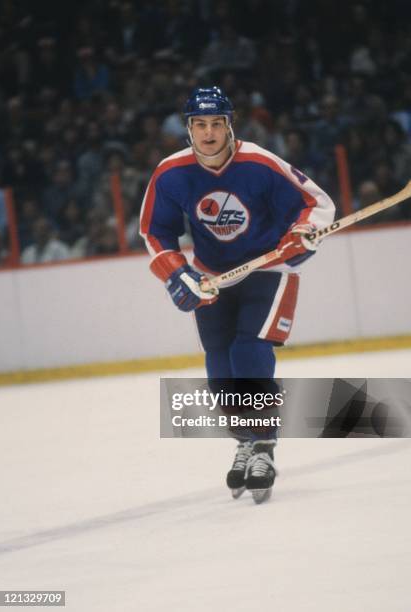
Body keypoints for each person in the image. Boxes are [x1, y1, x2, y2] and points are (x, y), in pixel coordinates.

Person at [140, 87, 335, 503]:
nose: (208, 133)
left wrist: (300, 234)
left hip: (268, 269)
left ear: (229, 126)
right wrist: (177, 274)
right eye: (199, 124)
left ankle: (264, 446)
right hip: (213, 279)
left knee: (249, 354)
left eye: (215, 124)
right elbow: (154, 231)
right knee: (220, 375)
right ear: (188, 128)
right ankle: (245, 439)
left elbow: (315, 202)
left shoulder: (259, 163)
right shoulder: (171, 173)